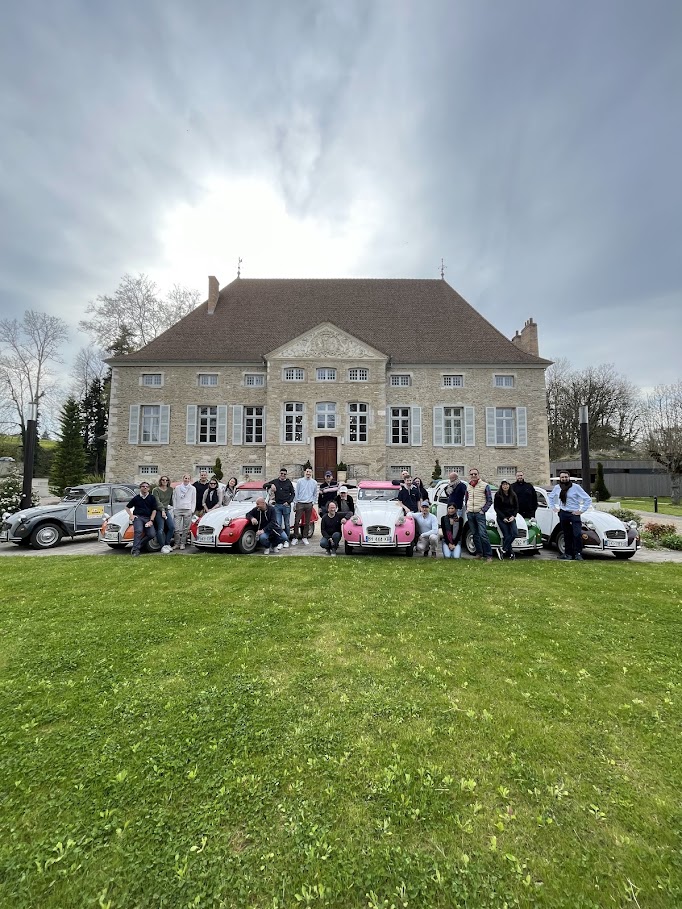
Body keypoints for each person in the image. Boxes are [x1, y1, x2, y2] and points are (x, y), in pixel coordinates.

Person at [548, 471, 592, 561]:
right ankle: (568, 554)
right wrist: (554, 508)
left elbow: (587, 499)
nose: (564, 479)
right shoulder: (557, 488)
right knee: (566, 534)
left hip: (574, 513)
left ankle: (578, 553)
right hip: (563, 513)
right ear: (560, 478)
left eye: (566, 477)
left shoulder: (576, 487)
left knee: (577, 534)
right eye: (562, 477)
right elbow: (550, 497)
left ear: (569, 477)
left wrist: (581, 511)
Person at [465, 468, 493, 561]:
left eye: (475, 474)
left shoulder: (485, 486)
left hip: (479, 514)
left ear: (478, 474)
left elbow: (489, 500)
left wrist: (483, 510)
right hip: (470, 513)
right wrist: (467, 509)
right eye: (471, 474)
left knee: (483, 534)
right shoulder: (468, 486)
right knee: (474, 534)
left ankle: (488, 555)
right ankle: (479, 553)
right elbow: (466, 499)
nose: (473, 475)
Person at [125, 482, 158, 556]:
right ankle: (135, 551)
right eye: (143, 486)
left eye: (147, 486)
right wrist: (131, 515)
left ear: (149, 488)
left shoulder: (152, 498)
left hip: (148, 518)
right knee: (138, 531)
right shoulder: (136, 498)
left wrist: (151, 521)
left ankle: (137, 546)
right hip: (138, 517)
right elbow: (127, 507)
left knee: (152, 534)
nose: (145, 487)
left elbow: (154, 510)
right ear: (140, 488)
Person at [263, 468, 295, 542]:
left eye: (284, 474)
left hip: (286, 506)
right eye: (281, 473)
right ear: (279, 474)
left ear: (286, 475)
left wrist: (288, 502)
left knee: (287, 524)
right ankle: (280, 540)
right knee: (278, 523)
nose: (283, 475)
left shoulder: (288, 482)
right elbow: (264, 485)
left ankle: (286, 539)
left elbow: (293, 493)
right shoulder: (275, 481)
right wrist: (271, 485)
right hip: (277, 505)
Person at [291, 467, 317, 546]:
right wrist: (296, 503)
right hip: (300, 503)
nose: (308, 473)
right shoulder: (300, 481)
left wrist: (313, 502)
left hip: (309, 503)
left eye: (310, 472)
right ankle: (295, 537)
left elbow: (315, 493)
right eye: (307, 471)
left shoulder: (314, 482)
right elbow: (297, 492)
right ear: (305, 472)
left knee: (307, 522)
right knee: (296, 521)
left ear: (311, 473)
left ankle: (304, 537)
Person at [494, 480, 519, 560]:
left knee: (514, 533)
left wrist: (513, 516)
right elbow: (496, 508)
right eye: (503, 485)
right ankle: (510, 553)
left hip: (511, 517)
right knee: (507, 535)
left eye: (507, 484)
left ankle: (502, 549)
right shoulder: (498, 495)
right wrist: (503, 517)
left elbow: (516, 507)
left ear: (509, 485)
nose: (505, 486)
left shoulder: (513, 495)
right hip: (501, 517)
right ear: (501, 486)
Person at [172, 473, 196, 550]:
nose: (187, 480)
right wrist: (174, 508)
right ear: (183, 479)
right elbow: (174, 498)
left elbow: (193, 500)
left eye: (188, 478)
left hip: (187, 509)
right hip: (178, 509)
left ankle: (183, 543)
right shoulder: (177, 488)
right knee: (176, 528)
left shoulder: (192, 488)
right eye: (185, 478)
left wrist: (192, 510)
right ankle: (177, 543)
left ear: (190, 480)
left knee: (186, 528)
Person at [152, 475, 175, 554]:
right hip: (158, 511)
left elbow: (171, 501)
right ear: (160, 481)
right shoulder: (156, 490)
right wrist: (162, 510)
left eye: (166, 480)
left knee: (171, 527)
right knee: (160, 529)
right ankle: (162, 546)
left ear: (168, 481)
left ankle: (167, 544)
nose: (165, 481)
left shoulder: (170, 489)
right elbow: (157, 502)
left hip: (166, 510)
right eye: (163, 480)